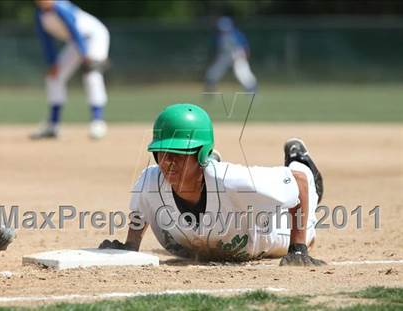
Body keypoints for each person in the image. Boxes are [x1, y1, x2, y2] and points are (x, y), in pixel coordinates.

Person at [99, 103, 326, 266]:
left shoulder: (234, 180)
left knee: (307, 225)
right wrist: (130, 246)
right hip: (208, 231)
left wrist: (298, 248)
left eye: (179, 153)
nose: (168, 162)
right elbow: (140, 213)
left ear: (200, 154)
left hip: (270, 231)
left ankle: (301, 160)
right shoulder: (150, 182)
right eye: (162, 153)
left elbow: (299, 185)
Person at [31, 0, 110, 140]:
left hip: (95, 36)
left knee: (91, 74)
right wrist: (53, 63)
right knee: (54, 77)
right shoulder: (39, 15)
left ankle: (98, 123)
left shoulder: (61, 7)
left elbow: (74, 29)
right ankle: (53, 125)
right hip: (76, 42)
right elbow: (46, 41)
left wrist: (85, 54)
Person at [205, 17, 257, 93]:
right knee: (213, 73)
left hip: (237, 55)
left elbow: (244, 46)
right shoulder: (219, 36)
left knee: (243, 74)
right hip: (225, 55)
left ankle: (252, 90)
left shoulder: (236, 34)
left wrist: (245, 56)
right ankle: (210, 90)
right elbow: (219, 50)